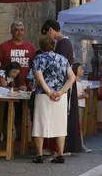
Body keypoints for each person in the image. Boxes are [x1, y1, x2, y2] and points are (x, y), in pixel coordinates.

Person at [31, 35, 75, 164]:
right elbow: (71, 78)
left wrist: (48, 91)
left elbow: (39, 76)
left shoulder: (39, 58)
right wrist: (61, 91)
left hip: (43, 95)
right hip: (60, 96)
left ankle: (39, 155)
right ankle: (60, 154)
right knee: (60, 124)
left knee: (40, 123)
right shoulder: (63, 59)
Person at [42, 19, 80, 153]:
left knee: (60, 117)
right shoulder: (65, 43)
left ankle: (60, 147)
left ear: (51, 30)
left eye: (48, 33)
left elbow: (60, 67)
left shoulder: (63, 44)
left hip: (61, 85)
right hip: (63, 84)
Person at [0, 20, 36, 142]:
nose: (19, 32)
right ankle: (6, 139)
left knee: (21, 115)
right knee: (5, 115)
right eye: (16, 30)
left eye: (21, 30)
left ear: (25, 31)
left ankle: (20, 139)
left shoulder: (30, 48)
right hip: (7, 90)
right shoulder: (2, 47)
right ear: (11, 31)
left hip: (25, 89)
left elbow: (34, 67)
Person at [73, 63, 91, 153]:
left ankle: (80, 144)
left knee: (80, 125)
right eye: (80, 69)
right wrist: (81, 96)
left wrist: (87, 91)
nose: (82, 71)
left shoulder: (82, 82)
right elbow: (73, 96)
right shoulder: (73, 82)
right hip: (76, 105)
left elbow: (87, 91)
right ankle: (80, 144)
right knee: (78, 125)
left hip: (81, 105)